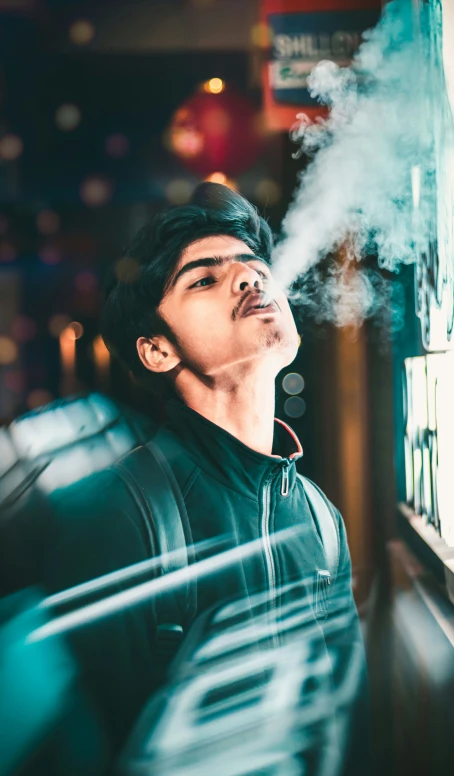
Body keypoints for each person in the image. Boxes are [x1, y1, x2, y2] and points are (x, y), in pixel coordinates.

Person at [40, 183, 369, 774]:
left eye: (253, 266)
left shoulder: (321, 519)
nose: (248, 280)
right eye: (204, 280)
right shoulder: (115, 513)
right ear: (157, 351)